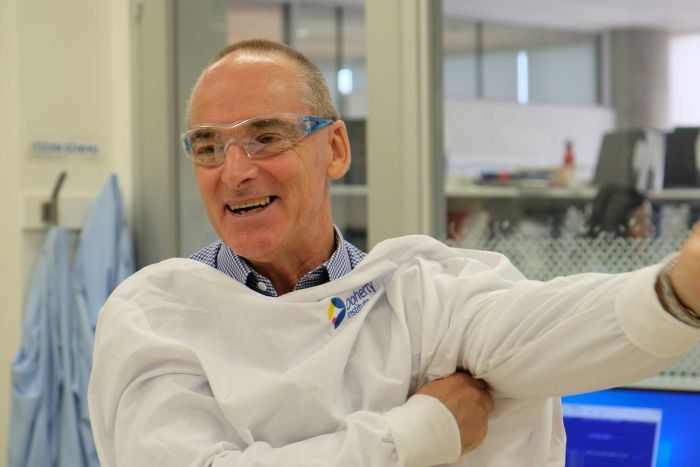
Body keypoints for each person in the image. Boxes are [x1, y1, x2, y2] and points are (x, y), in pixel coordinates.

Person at [88, 39, 700, 466]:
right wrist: (421, 432)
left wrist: (679, 291)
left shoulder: (414, 292)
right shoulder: (159, 315)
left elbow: (541, 330)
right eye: (208, 147)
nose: (235, 171)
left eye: (266, 137)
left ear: (334, 149)